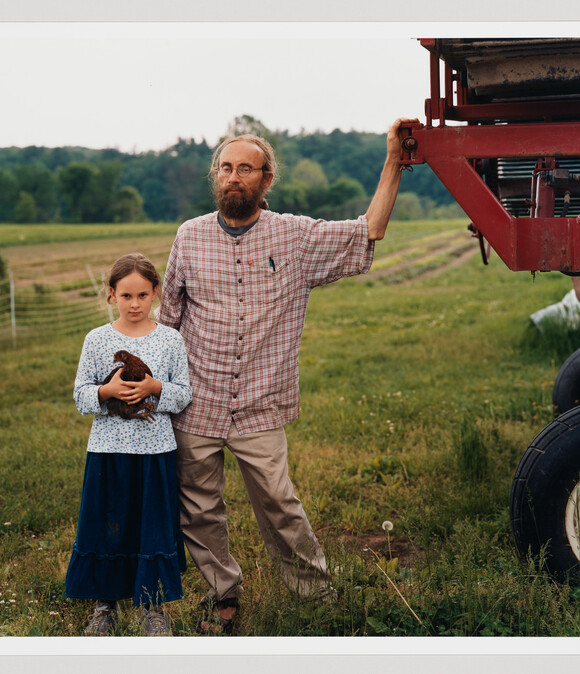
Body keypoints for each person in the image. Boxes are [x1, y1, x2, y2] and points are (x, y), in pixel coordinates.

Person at [158, 118, 417, 634]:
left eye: (246, 169)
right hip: (197, 401)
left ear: (266, 179)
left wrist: (394, 159)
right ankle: (222, 593)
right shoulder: (188, 237)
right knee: (200, 508)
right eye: (227, 168)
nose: (235, 177)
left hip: (260, 403)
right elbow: (167, 320)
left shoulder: (296, 237)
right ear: (216, 177)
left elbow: (370, 230)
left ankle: (315, 594)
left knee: (279, 503)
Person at [65, 253, 192, 636]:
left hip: (155, 452)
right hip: (108, 452)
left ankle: (152, 606)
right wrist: (107, 391)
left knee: (151, 526)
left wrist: (156, 388)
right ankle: (105, 605)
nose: (135, 304)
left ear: (155, 293)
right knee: (109, 526)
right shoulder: (97, 339)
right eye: (126, 296)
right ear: (111, 295)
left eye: (142, 295)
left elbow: (183, 394)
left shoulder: (170, 339)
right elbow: (80, 395)